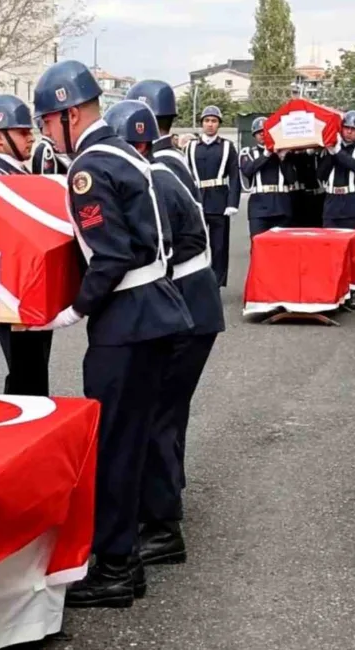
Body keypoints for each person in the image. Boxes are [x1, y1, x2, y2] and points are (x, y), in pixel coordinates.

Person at [29, 60, 192, 609]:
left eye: (49, 122)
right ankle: (124, 557)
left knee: (116, 447)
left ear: (70, 113)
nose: (47, 133)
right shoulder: (127, 152)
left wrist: (73, 309)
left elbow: (112, 254)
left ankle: (117, 566)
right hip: (156, 311)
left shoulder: (89, 167)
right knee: (136, 436)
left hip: (126, 321)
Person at [104, 99, 223, 568]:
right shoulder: (163, 170)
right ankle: (162, 498)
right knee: (165, 413)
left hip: (184, 309)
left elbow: (146, 250)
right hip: (192, 304)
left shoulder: (153, 177)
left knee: (156, 414)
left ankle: (161, 526)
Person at [0, 93, 51, 396]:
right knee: (26, 378)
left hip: (34, 294)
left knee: (34, 374)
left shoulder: (22, 176)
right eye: (22, 132)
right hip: (15, 300)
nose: (30, 138)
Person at [318, 110, 355, 288]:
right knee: (329, 246)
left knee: (352, 249)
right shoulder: (332, 147)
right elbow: (320, 174)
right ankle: (332, 284)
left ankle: (352, 285)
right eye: (346, 127)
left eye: (353, 129)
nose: (349, 131)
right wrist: (329, 153)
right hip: (332, 201)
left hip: (354, 202)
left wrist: (338, 153)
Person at [186, 106, 240, 287]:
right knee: (195, 244)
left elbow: (234, 176)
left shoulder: (227, 146)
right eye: (207, 121)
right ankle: (196, 282)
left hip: (219, 201)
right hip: (197, 200)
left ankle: (216, 283)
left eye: (214, 121)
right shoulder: (191, 146)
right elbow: (184, 175)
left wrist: (232, 202)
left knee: (219, 246)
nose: (210, 125)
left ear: (219, 124)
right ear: (202, 123)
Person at [240, 117, 294, 238]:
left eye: (265, 131)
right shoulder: (247, 152)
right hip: (259, 206)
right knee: (258, 245)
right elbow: (248, 170)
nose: (262, 134)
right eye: (259, 132)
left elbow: (292, 179)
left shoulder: (284, 153)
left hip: (281, 204)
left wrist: (283, 158)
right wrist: (266, 154)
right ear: (254, 135)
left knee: (281, 246)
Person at [288, 148, 324, 227]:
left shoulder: (321, 154)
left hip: (320, 195)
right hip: (299, 197)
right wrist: (306, 153)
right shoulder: (292, 156)